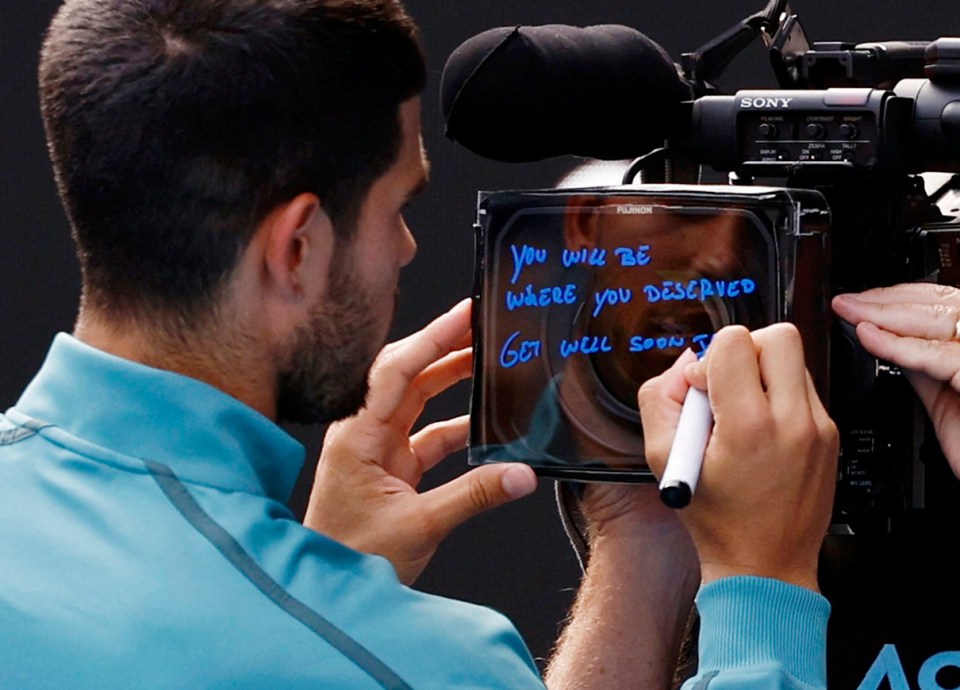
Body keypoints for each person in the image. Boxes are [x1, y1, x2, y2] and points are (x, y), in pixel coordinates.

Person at [0, 0, 839, 688]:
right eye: (398, 208)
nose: (406, 249)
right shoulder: (424, 669)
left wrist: (322, 578)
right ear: (297, 247)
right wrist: (760, 586)